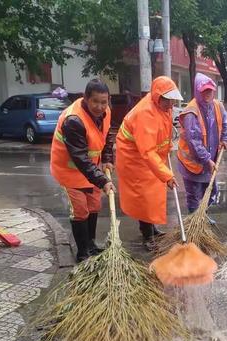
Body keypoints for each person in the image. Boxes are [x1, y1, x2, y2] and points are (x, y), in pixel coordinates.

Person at [50, 78, 115, 263]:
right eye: (95, 101)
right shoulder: (73, 121)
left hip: (91, 170)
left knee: (94, 206)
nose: (100, 106)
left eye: (104, 102)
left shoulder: (106, 112)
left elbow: (106, 135)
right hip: (70, 171)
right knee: (80, 211)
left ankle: (91, 244)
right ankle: (82, 252)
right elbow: (80, 158)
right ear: (85, 98)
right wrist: (103, 180)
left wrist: (108, 158)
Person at [116, 76, 182, 251]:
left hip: (150, 155)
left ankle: (152, 228)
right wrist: (167, 175)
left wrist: (167, 146)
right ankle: (147, 236)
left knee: (153, 194)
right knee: (145, 196)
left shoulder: (163, 107)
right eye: (169, 101)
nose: (172, 105)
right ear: (158, 96)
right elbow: (147, 151)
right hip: (134, 158)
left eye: (173, 100)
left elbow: (164, 131)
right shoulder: (145, 113)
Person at [177, 73, 227, 223]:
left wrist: (225, 138)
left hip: (209, 160)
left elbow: (225, 124)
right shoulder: (191, 112)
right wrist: (206, 159)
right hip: (192, 163)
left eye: (210, 91)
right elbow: (194, 142)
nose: (208, 94)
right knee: (194, 193)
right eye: (204, 91)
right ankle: (194, 220)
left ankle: (203, 215)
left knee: (211, 190)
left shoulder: (217, 106)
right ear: (197, 91)